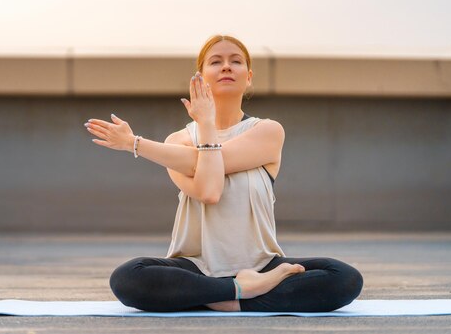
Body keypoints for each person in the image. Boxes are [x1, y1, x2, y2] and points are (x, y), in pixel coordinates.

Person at [83, 34, 363, 312]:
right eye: (216, 62)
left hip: (261, 264)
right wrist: (205, 124)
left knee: (345, 279)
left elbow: (207, 163)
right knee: (129, 278)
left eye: (236, 61)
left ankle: (217, 297)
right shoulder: (177, 141)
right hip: (196, 266)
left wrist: (137, 144)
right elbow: (209, 190)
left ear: (249, 77)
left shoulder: (267, 131)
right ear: (201, 77)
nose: (227, 67)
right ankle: (243, 292)